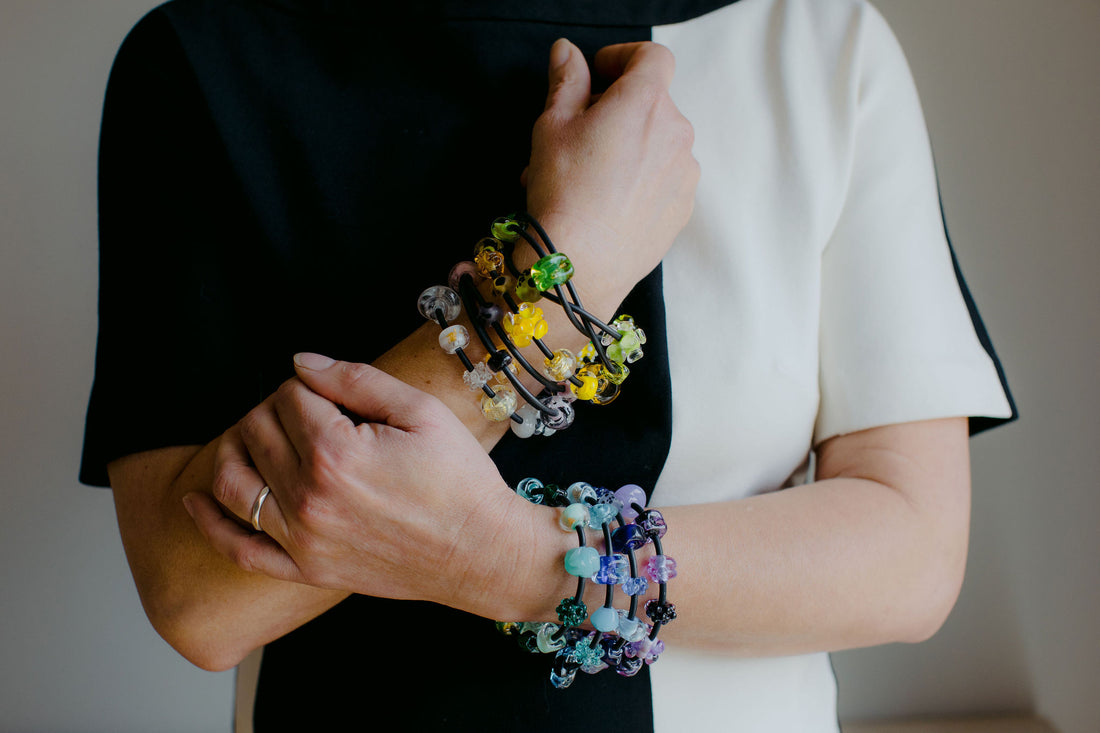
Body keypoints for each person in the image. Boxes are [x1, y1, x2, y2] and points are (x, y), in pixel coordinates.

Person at [81, 0, 1016, 730]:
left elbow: (913, 550)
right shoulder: (202, 55)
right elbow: (199, 597)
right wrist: (566, 270)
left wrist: (513, 561)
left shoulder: (814, 45)